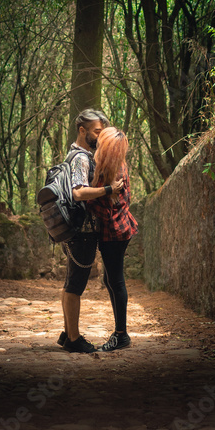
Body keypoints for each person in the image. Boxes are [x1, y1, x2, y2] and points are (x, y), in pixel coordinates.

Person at [58, 109, 123, 354]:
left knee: (70, 283)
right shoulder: (82, 157)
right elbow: (78, 192)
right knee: (75, 285)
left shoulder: (79, 155)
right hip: (82, 231)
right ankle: (74, 340)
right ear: (82, 130)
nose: (100, 135)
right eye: (96, 131)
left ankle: (67, 334)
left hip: (78, 230)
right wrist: (108, 189)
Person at [87, 126, 138, 352]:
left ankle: (121, 334)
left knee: (115, 281)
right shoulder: (112, 167)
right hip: (117, 230)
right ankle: (120, 332)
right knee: (110, 280)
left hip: (114, 233)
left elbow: (106, 211)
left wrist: (91, 197)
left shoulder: (114, 172)